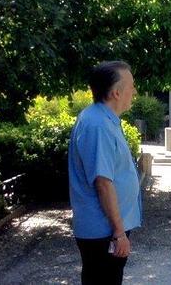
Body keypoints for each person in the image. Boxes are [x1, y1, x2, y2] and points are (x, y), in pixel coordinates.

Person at [68, 61, 141, 285]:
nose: (135, 91)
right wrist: (119, 233)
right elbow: (103, 183)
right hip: (104, 231)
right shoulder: (98, 124)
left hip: (105, 229)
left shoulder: (104, 119)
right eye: (131, 86)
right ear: (116, 93)